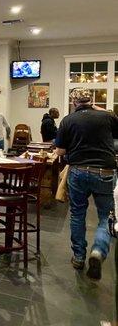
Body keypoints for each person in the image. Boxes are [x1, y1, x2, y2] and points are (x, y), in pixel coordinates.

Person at [55, 88, 118, 280]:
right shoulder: (107, 117)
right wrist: (102, 110)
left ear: (74, 102)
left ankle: (79, 256)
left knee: (77, 214)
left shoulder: (68, 120)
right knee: (105, 216)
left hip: (79, 171)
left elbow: (60, 152)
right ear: (92, 100)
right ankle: (98, 251)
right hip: (105, 172)